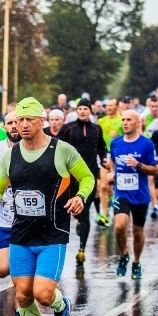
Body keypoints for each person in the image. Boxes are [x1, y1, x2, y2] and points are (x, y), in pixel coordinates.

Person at [0, 97, 95, 316]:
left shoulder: (61, 150)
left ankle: (61, 306)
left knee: (43, 293)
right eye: (20, 120)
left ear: (42, 121)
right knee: (23, 295)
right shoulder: (11, 155)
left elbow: (87, 177)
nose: (24, 125)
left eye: (30, 120)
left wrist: (80, 196)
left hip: (52, 234)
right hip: (21, 234)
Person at [108, 110, 158, 280]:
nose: (125, 123)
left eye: (129, 120)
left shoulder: (146, 144)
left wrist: (138, 165)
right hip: (121, 192)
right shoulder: (115, 143)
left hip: (140, 195)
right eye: (123, 120)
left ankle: (136, 262)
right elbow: (112, 163)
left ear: (138, 123)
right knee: (119, 226)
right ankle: (123, 255)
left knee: (138, 232)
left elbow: (155, 170)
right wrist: (111, 173)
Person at [58, 99, 108, 266]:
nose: (82, 111)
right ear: (76, 110)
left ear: (90, 111)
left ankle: (81, 249)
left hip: (90, 174)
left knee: (85, 209)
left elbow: (102, 147)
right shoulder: (68, 128)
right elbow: (58, 147)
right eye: (80, 108)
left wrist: (104, 159)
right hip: (71, 175)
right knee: (72, 209)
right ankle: (77, 219)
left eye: (85, 108)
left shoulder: (96, 129)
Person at [0, 110, 23, 316]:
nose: (13, 127)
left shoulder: (31, 150)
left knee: (19, 264)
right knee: (1, 270)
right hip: (2, 218)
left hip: (25, 221)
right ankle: (27, 275)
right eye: (9, 123)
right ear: (4, 126)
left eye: (17, 122)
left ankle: (22, 308)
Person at [96, 97, 123, 226]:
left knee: (116, 187)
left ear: (117, 106)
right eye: (107, 106)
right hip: (105, 155)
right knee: (103, 186)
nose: (109, 108)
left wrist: (118, 137)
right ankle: (104, 215)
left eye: (112, 106)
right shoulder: (101, 121)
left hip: (119, 156)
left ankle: (118, 210)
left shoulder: (122, 120)